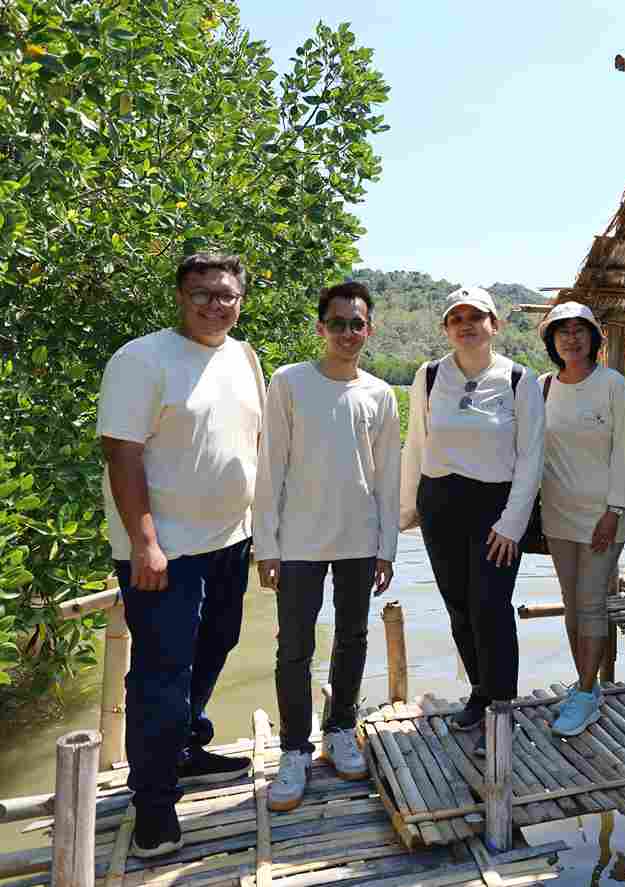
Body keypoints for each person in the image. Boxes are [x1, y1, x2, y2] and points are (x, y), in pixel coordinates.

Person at [98, 252, 266, 857]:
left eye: (226, 295)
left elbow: (252, 443)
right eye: (201, 294)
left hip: (231, 541)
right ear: (179, 296)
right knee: (161, 675)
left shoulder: (244, 356)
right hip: (164, 552)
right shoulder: (141, 359)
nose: (214, 305)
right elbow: (121, 453)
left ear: (240, 300)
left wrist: (261, 532)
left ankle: (186, 749)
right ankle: (153, 804)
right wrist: (145, 543)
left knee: (217, 645)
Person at [253, 281, 401, 811]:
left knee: (353, 637)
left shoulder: (380, 394)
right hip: (298, 540)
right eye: (337, 323)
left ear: (369, 330)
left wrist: (387, 547)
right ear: (321, 328)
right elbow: (270, 465)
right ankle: (294, 749)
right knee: (294, 647)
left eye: (356, 324)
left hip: (359, 538)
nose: (347, 332)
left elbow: (388, 477)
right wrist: (266, 544)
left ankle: (340, 728)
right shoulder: (289, 381)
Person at [400, 287, 544, 754]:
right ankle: (481, 692)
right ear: (446, 328)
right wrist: (405, 510)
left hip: (495, 508)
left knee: (491, 607)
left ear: (494, 325)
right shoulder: (428, 375)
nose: (466, 325)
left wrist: (512, 524)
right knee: (459, 607)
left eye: (476, 317)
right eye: (456, 318)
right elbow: (416, 445)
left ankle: (502, 711)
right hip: (440, 503)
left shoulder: (519, 378)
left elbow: (531, 458)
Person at [537, 302, 625, 737]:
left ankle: (582, 694)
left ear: (594, 337)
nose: (572, 338)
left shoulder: (612, 385)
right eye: (562, 331)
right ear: (552, 341)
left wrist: (614, 511)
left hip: (603, 517)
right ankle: (587, 687)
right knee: (572, 603)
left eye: (580, 330)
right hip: (558, 514)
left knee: (592, 602)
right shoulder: (542, 387)